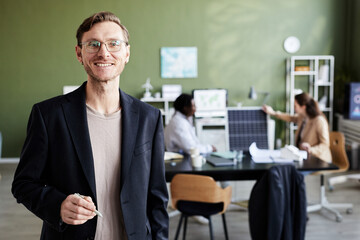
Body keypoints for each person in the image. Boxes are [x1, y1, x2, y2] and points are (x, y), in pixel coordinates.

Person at [12, 12, 168, 240]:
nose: (103, 52)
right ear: (79, 53)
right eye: (93, 44)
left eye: (114, 44)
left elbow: (157, 197)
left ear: (126, 53)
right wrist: (58, 205)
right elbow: (23, 184)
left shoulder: (149, 118)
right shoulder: (48, 115)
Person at [262, 92, 332, 163]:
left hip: (318, 159)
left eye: (295, 106)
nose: (294, 108)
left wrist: (311, 149)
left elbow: (325, 145)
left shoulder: (319, 121)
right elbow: (290, 117)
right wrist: (273, 112)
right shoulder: (302, 117)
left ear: (303, 107)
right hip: (304, 157)